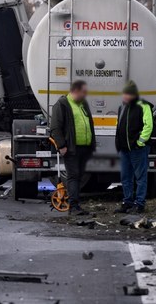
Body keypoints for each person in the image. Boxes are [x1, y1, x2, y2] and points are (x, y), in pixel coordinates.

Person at [50, 80, 96, 215]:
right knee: (74, 176)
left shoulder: (83, 104)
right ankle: (73, 207)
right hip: (71, 148)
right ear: (75, 91)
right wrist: (62, 145)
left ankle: (76, 205)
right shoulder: (62, 104)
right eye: (83, 92)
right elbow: (55, 127)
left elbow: (89, 123)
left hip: (84, 148)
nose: (85, 95)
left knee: (79, 176)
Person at [114, 80, 153, 214]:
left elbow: (148, 125)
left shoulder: (143, 106)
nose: (124, 96)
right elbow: (119, 126)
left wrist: (140, 142)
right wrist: (118, 144)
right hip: (125, 149)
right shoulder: (122, 107)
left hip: (137, 149)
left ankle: (140, 203)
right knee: (126, 177)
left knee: (140, 177)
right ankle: (127, 202)